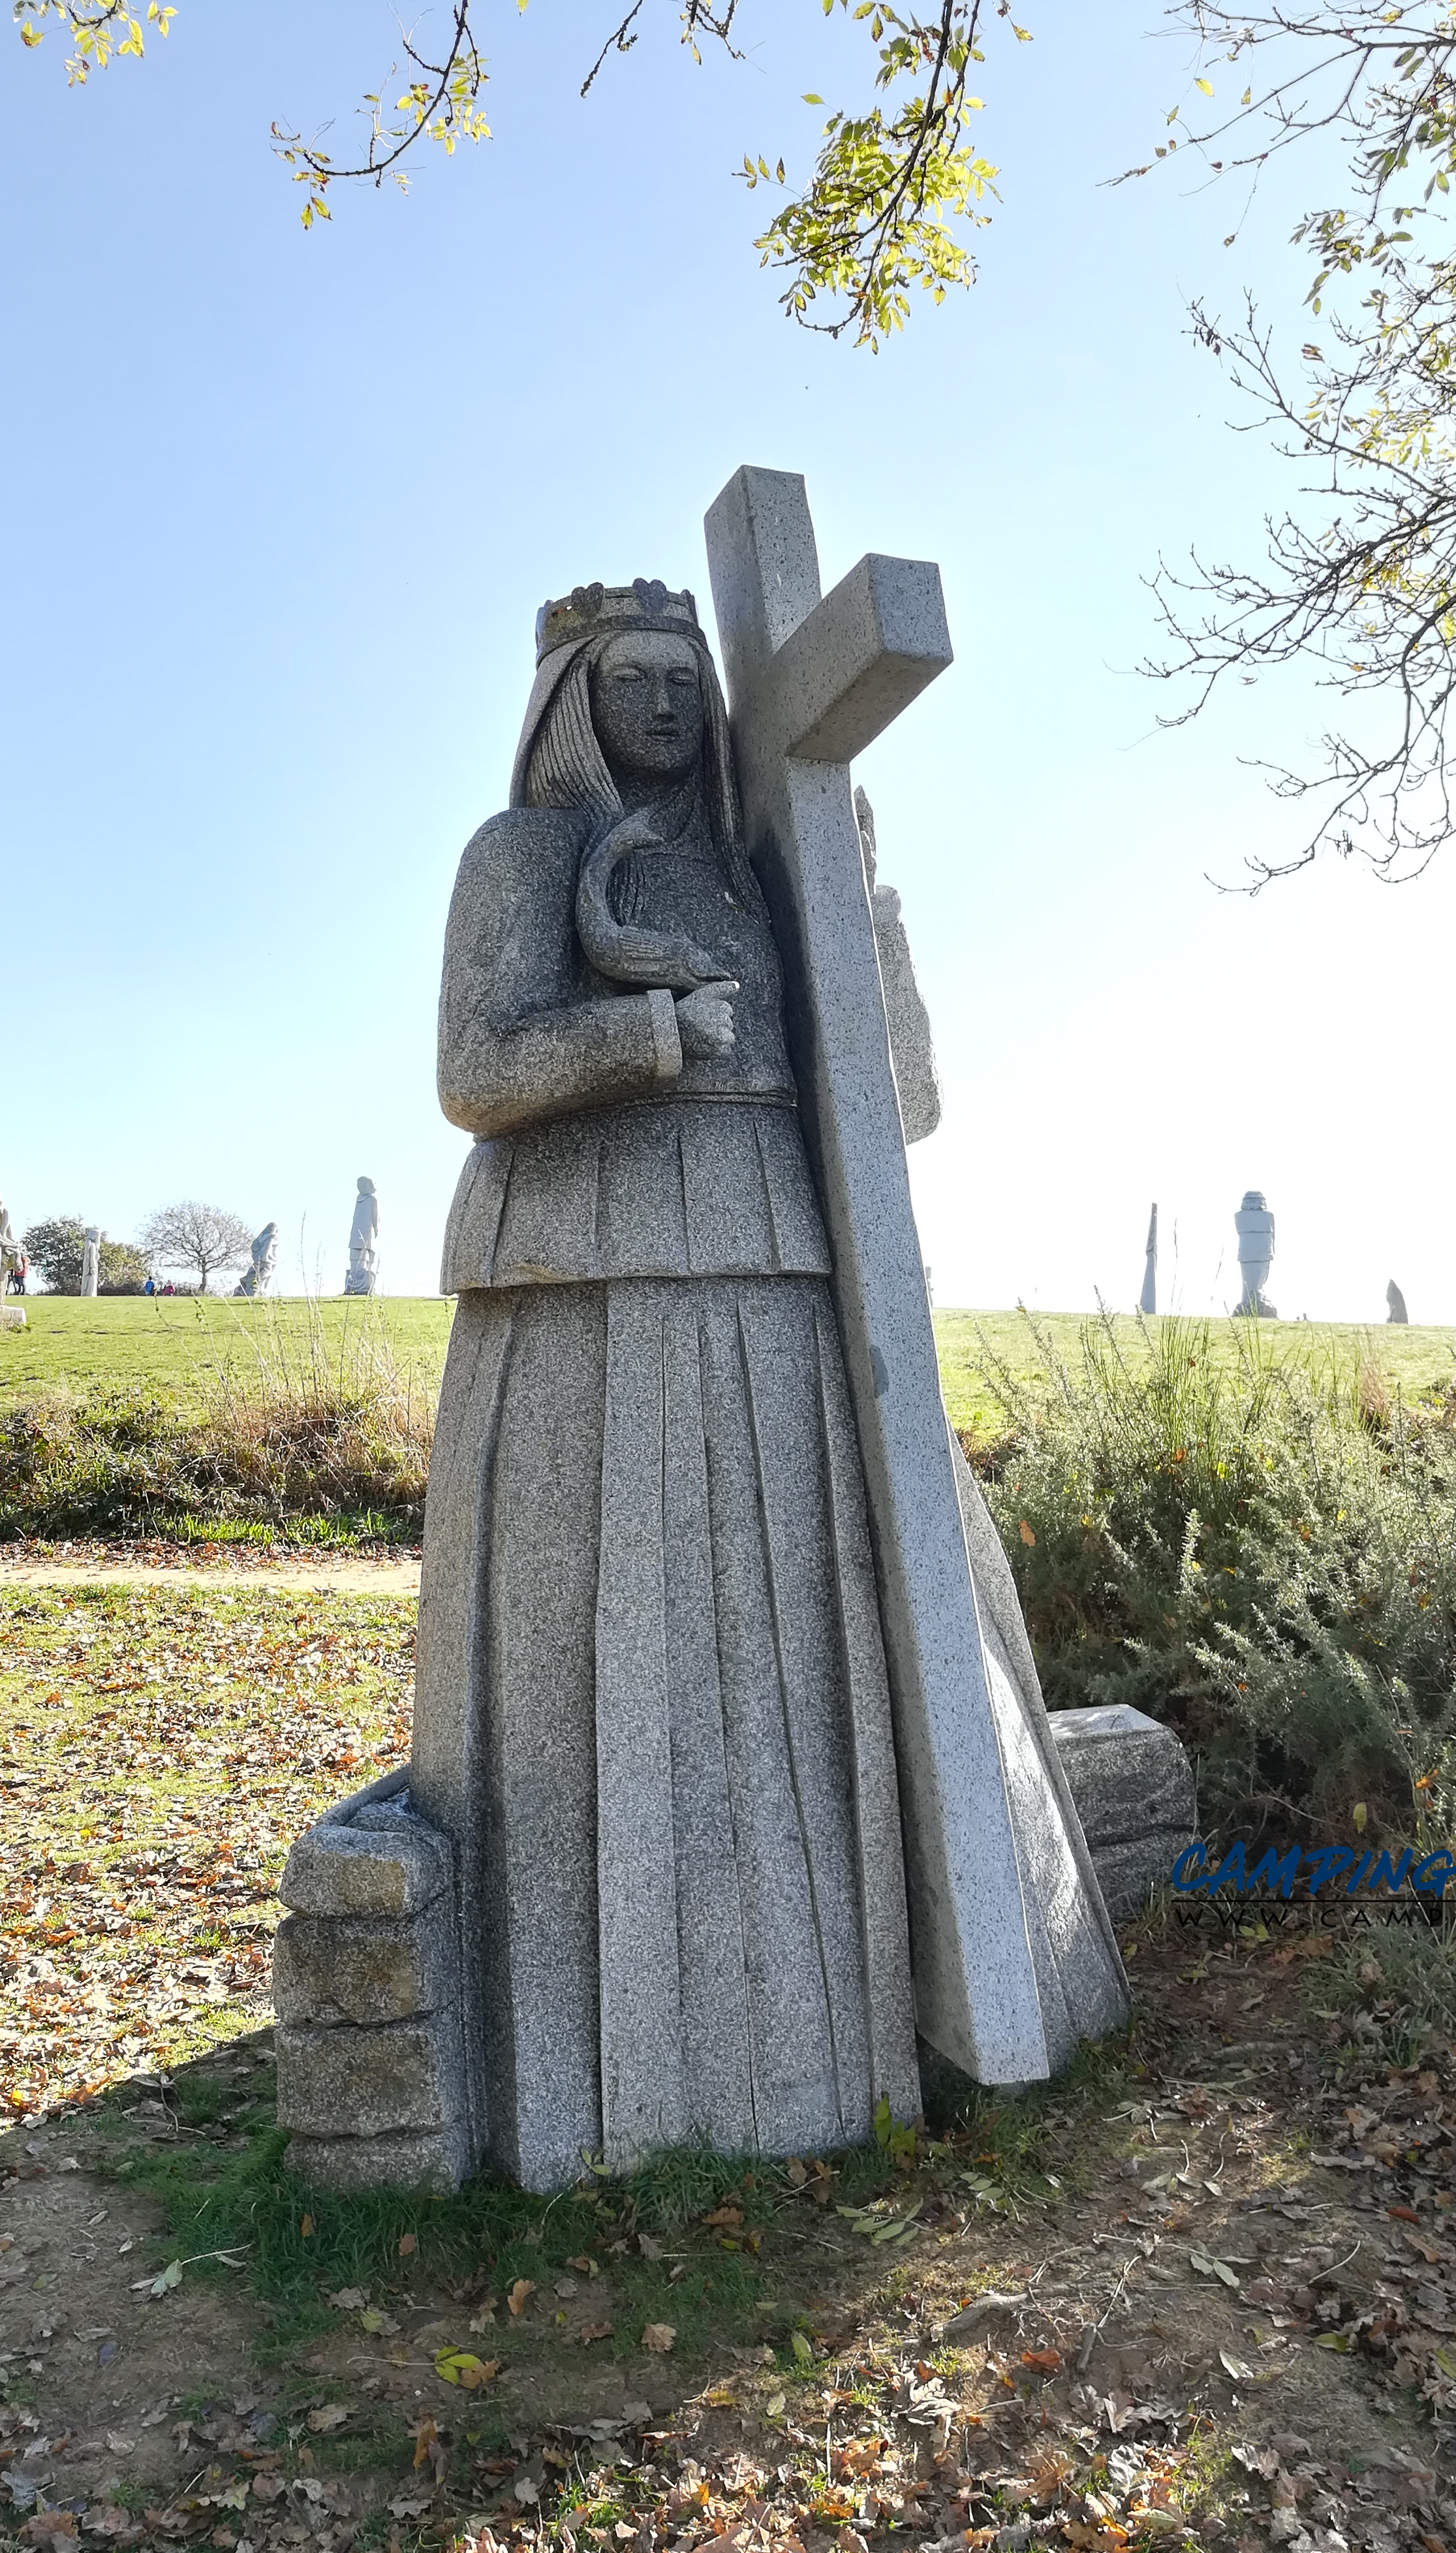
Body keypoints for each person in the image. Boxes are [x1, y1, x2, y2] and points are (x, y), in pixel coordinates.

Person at [414, 580, 921, 2186]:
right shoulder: (526, 859)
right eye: (629, 680)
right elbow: (474, 1071)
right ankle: (585, 2061)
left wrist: (872, 924)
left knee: (777, 1648)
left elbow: (892, 1105)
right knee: (597, 1651)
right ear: (571, 697)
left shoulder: (763, 871)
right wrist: (643, 1037)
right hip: (576, 1275)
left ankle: (810, 2030)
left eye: (682, 681)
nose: (662, 708)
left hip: (774, 1270)